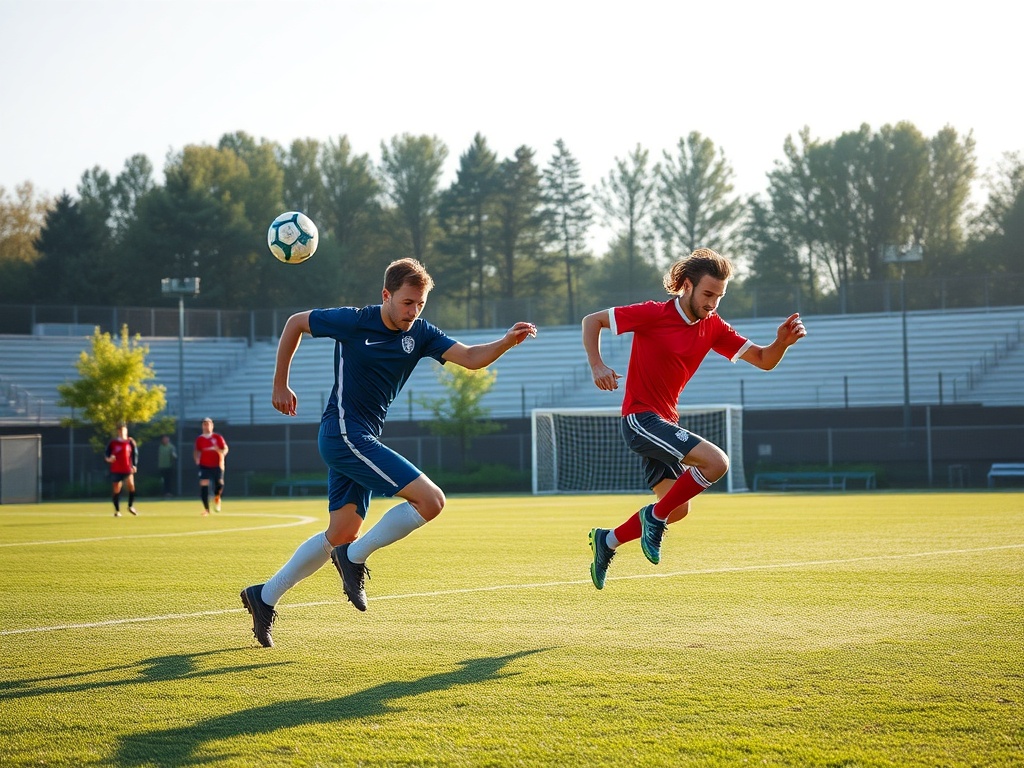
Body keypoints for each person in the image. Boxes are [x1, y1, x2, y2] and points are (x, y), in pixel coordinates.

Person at [240, 257, 537, 647]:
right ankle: (352, 557)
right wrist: (280, 384)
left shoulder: (421, 333)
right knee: (431, 501)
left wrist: (506, 342)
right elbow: (296, 322)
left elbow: (469, 358)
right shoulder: (354, 321)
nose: (413, 312)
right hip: (343, 433)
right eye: (407, 302)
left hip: (360, 437)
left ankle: (264, 596)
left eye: (420, 305)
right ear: (386, 295)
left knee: (341, 532)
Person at [584, 247, 807, 589]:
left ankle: (607, 541)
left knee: (678, 509)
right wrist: (597, 365)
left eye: (719, 296)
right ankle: (653, 518)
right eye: (708, 294)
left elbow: (764, 360)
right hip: (640, 419)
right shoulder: (653, 313)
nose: (713, 303)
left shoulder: (714, 326)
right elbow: (592, 320)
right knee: (717, 463)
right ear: (686, 285)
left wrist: (782, 343)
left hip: (665, 423)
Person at [194, 417, 228, 516]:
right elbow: (197, 450)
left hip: (217, 465)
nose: (206, 426)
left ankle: (217, 497)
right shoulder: (200, 439)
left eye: (208, 424)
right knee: (204, 485)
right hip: (204, 465)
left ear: (212, 426)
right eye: (204, 424)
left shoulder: (217, 437)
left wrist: (220, 451)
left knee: (219, 484)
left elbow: (225, 448)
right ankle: (207, 509)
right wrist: (197, 459)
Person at [105, 423, 139, 517]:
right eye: (121, 430)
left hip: (127, 468)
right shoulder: (113, 443)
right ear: (118, 432)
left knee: (131, 485)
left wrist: (134, 465)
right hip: (116, 469)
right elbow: (107, 454)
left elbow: (134, 454)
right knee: (117, 489)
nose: (122, 432)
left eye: (124, 430)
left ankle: (130, 506)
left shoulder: (130, 442)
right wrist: (109, 459)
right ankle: (117, 510)